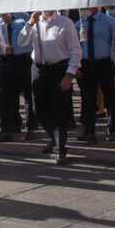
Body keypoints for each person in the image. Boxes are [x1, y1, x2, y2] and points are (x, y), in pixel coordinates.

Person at [20, 10, 82, 165]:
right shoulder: (34, 22)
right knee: (39, 111)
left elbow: (75, 50)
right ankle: (55, 138)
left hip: (58, 69)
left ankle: (61, 149)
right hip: (39, 69)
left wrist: (69, 74)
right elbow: (21, 42)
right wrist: (30, 23)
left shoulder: (65, 23)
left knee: (59, 111)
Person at [76, 7, 115, 144]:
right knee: (87, 99)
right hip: (86, 64)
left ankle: (112, 129)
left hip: (105, 63)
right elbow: (76, 46)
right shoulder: (80, 23)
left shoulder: (109, 21)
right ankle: (89, 132)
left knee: (110, 97)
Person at [0, 13, 35, 139]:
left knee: (29, 94)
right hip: (6, 60)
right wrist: (1, 46)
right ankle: (10, 126)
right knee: (7, 95)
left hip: (23, 60)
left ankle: (31, 127)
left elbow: (31, 38)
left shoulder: (24, 18)